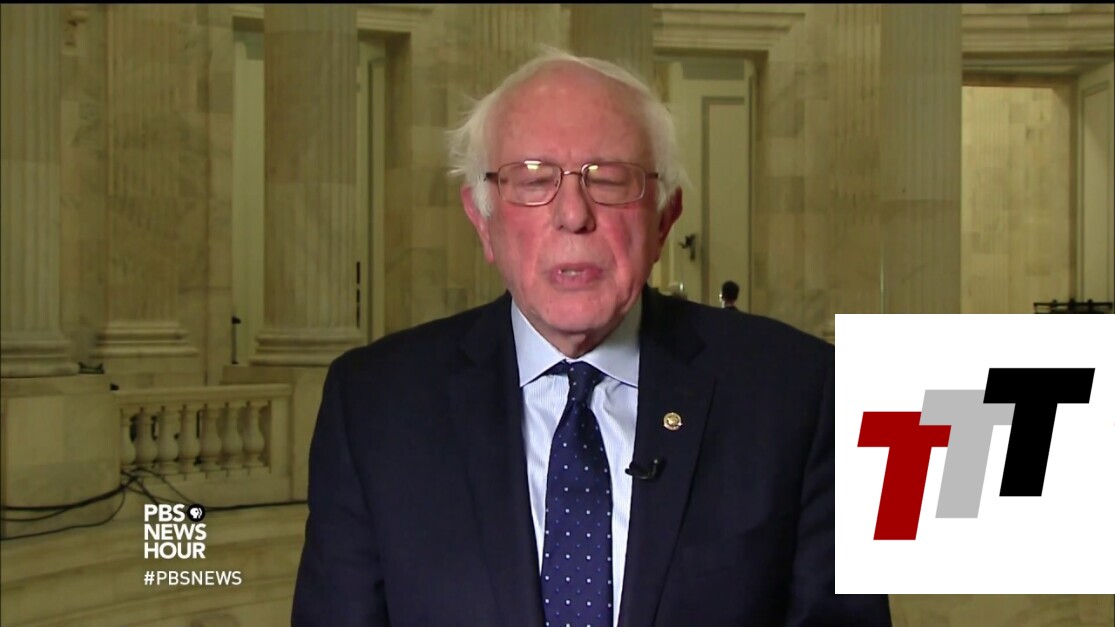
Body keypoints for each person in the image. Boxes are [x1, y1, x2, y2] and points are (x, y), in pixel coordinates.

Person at [292, 48, 891, 627]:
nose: (574, 215)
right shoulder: (371, 406)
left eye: (610, 180)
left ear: (665, 219)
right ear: (483, 221)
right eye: (533, 180)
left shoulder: (805, 395)